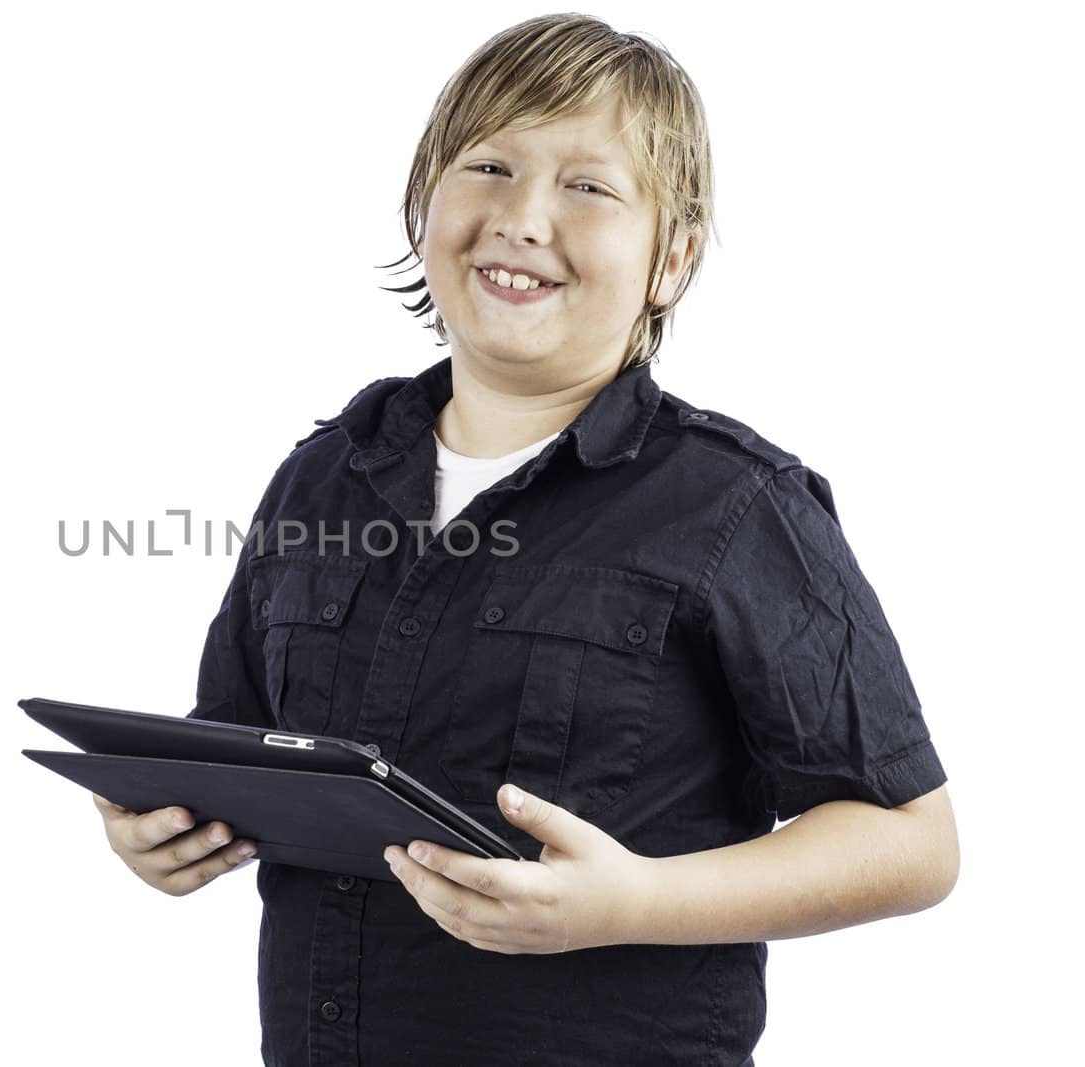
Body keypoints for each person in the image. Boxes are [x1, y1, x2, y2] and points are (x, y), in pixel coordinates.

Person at [92, 13, 957, 1066]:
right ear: (425, 204)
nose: (521, 215)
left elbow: (912, 841)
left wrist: (634, 899)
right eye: (489, 165)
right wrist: (166, 828)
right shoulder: (324, 474)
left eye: (587, 186)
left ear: (670, 256)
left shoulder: (735, 504)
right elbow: (237, 747)